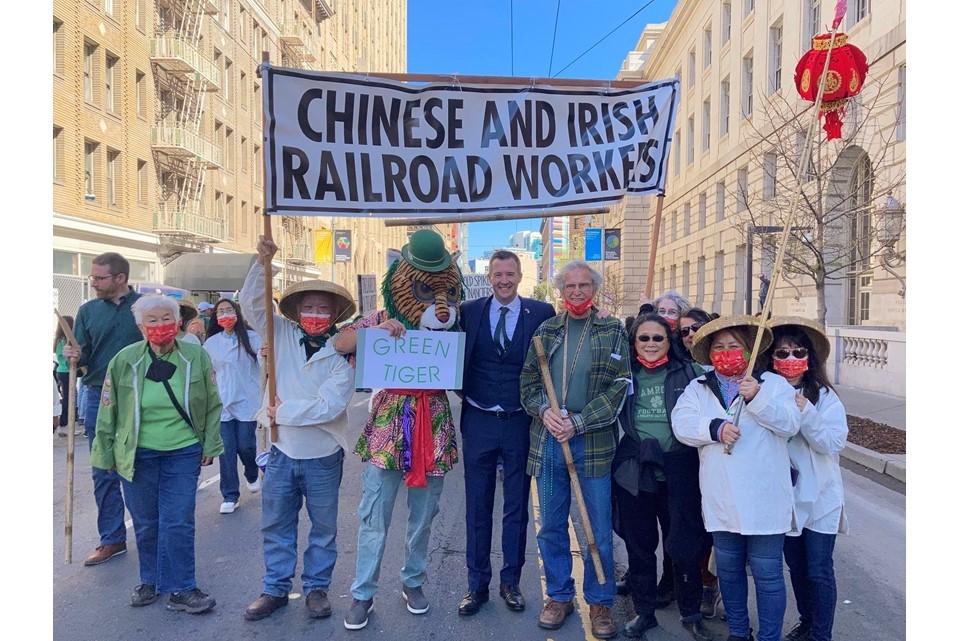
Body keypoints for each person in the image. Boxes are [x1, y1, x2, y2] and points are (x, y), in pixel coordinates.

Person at [332, 229, 464, 630]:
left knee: (424, 514)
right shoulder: (380, 317)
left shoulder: (450, 327)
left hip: (433, 425)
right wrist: (376, 332)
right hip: (388, 428)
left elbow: (462, 367)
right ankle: (363, 592)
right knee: (375, 512)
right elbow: (341, 341)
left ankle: (413, 580)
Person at [240, 236, 357, 622]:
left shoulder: (340, 356)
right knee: (276, 523)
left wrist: (279, 412)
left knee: (323, 529)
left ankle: (317, 588)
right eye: (308, 307)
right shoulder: (281, 334)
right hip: (281, 451)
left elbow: (328, 407)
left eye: (323, 308)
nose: (315, 313)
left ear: (334, 314)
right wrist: (263, 263)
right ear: (296, 311)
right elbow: (251, 304)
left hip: (323, 455)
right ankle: (274, 587)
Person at [90, 294, 223, 614]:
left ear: (178, 323)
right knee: (147, 522)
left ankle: (182, 588)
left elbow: (212, 403)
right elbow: (108, 411)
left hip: (183, 450)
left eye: (167, 318)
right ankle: (150, 580)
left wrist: (210, 444)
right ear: (140, 325)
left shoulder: (196, 357)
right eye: (152, 320)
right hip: (136, 452)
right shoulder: (124, 360)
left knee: (178, 520)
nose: (160, 325)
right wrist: (104, 455)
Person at [519, 259, 631, 639]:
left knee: (596, 526)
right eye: (570, 287)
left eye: (584, 286)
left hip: (593, 443)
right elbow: (528, 385)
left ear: (594, 290)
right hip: (549, 442)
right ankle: (560, 596)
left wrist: (578, 422)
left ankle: (600, 602)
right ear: (561, 291)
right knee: (550, 525)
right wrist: (545, 411)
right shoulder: (546, 331)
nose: (577, 292)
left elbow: (619, 386)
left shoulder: (613, 330)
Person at [672, 315, 800, 641]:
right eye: (719, 347)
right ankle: (739, 633)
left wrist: (758, 398)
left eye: (734, 346)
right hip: (722, 499)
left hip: (765, 499)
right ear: (709, 353)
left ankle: (770, 636)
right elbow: (682, 423)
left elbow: (790, 424)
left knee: (768, 574)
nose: (727, 352)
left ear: (749, 351)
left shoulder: (773, 385)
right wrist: (714, 429)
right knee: (728, 573)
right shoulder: (698, 388)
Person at [456, 249, 556, 616]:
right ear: (489, 275)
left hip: (520, 422)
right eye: (497, 274)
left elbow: (565, 342)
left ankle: (510, 582)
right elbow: (436, 339)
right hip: (479, 420)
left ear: (519, 276)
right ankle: (476, 586)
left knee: (517, 508)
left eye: (510, 274)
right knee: (477, 506)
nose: (503, 281)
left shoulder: (542, 313)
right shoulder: (469, 312)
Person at [613, 313, 711, 641]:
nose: (651, 344)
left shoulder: (690, 373)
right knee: (640, 545)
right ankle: (644, 612)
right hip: (636, 467)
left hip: (680, 467)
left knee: (684, 543)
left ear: (669, 341)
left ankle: (692, 613)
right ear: (633, 342)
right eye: (644, 338)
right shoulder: (622, 376)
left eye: (659, 338)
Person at [764, 317, 848, 641]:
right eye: (782, 353)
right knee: (797, 569)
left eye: (797, 351)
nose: (790, 359)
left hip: (821, 500)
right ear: (771, 358)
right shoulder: (767, 393)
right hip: (786, 499)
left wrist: (806, 412)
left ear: (809, 357)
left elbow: (832, 442)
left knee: (819, 571)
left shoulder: (825, 397)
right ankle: (807, 621)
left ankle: (821, 634)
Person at [62, 252, 144, 566]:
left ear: (120, 278)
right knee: (103, 468)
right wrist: (73, 354)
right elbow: (81, 357)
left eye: (99, 278)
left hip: (140, 396)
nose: (93, 283)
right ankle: (112, 539)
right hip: (99, 395)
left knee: (139, 466)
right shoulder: (87, 311)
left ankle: (150, 532)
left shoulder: (142, 309)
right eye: (92, 277)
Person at [677, 307, 724, 619]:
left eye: (697, 327)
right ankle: (699, 584)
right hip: (687, 460)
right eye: (684, 331)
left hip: (725, 466)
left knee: (722, 535)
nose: (691, 334)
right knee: (693, 529)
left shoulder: (741, 373)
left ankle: (718, 587)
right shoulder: (682, 370)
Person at [203, 298, 263, 514]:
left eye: (229, 310)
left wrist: (266, 354)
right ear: (215, 317)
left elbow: (267, 365)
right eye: (221, 311)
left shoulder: (253, 339)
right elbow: (207, 372)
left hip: (247, 400)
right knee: (226, 451)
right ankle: (230, 495)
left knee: (246, 445)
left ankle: (251, 472)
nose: (225, 314)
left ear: (237, 313)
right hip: (222, 404)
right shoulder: (211, 344)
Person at [54, 315, 77, 437]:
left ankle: (66, 426)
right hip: (65, 372)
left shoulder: (60, 340)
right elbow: (64, 360)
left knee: (68, 398)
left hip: (63, 372)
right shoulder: (63, 341)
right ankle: (64, 426)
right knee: (69, 399)